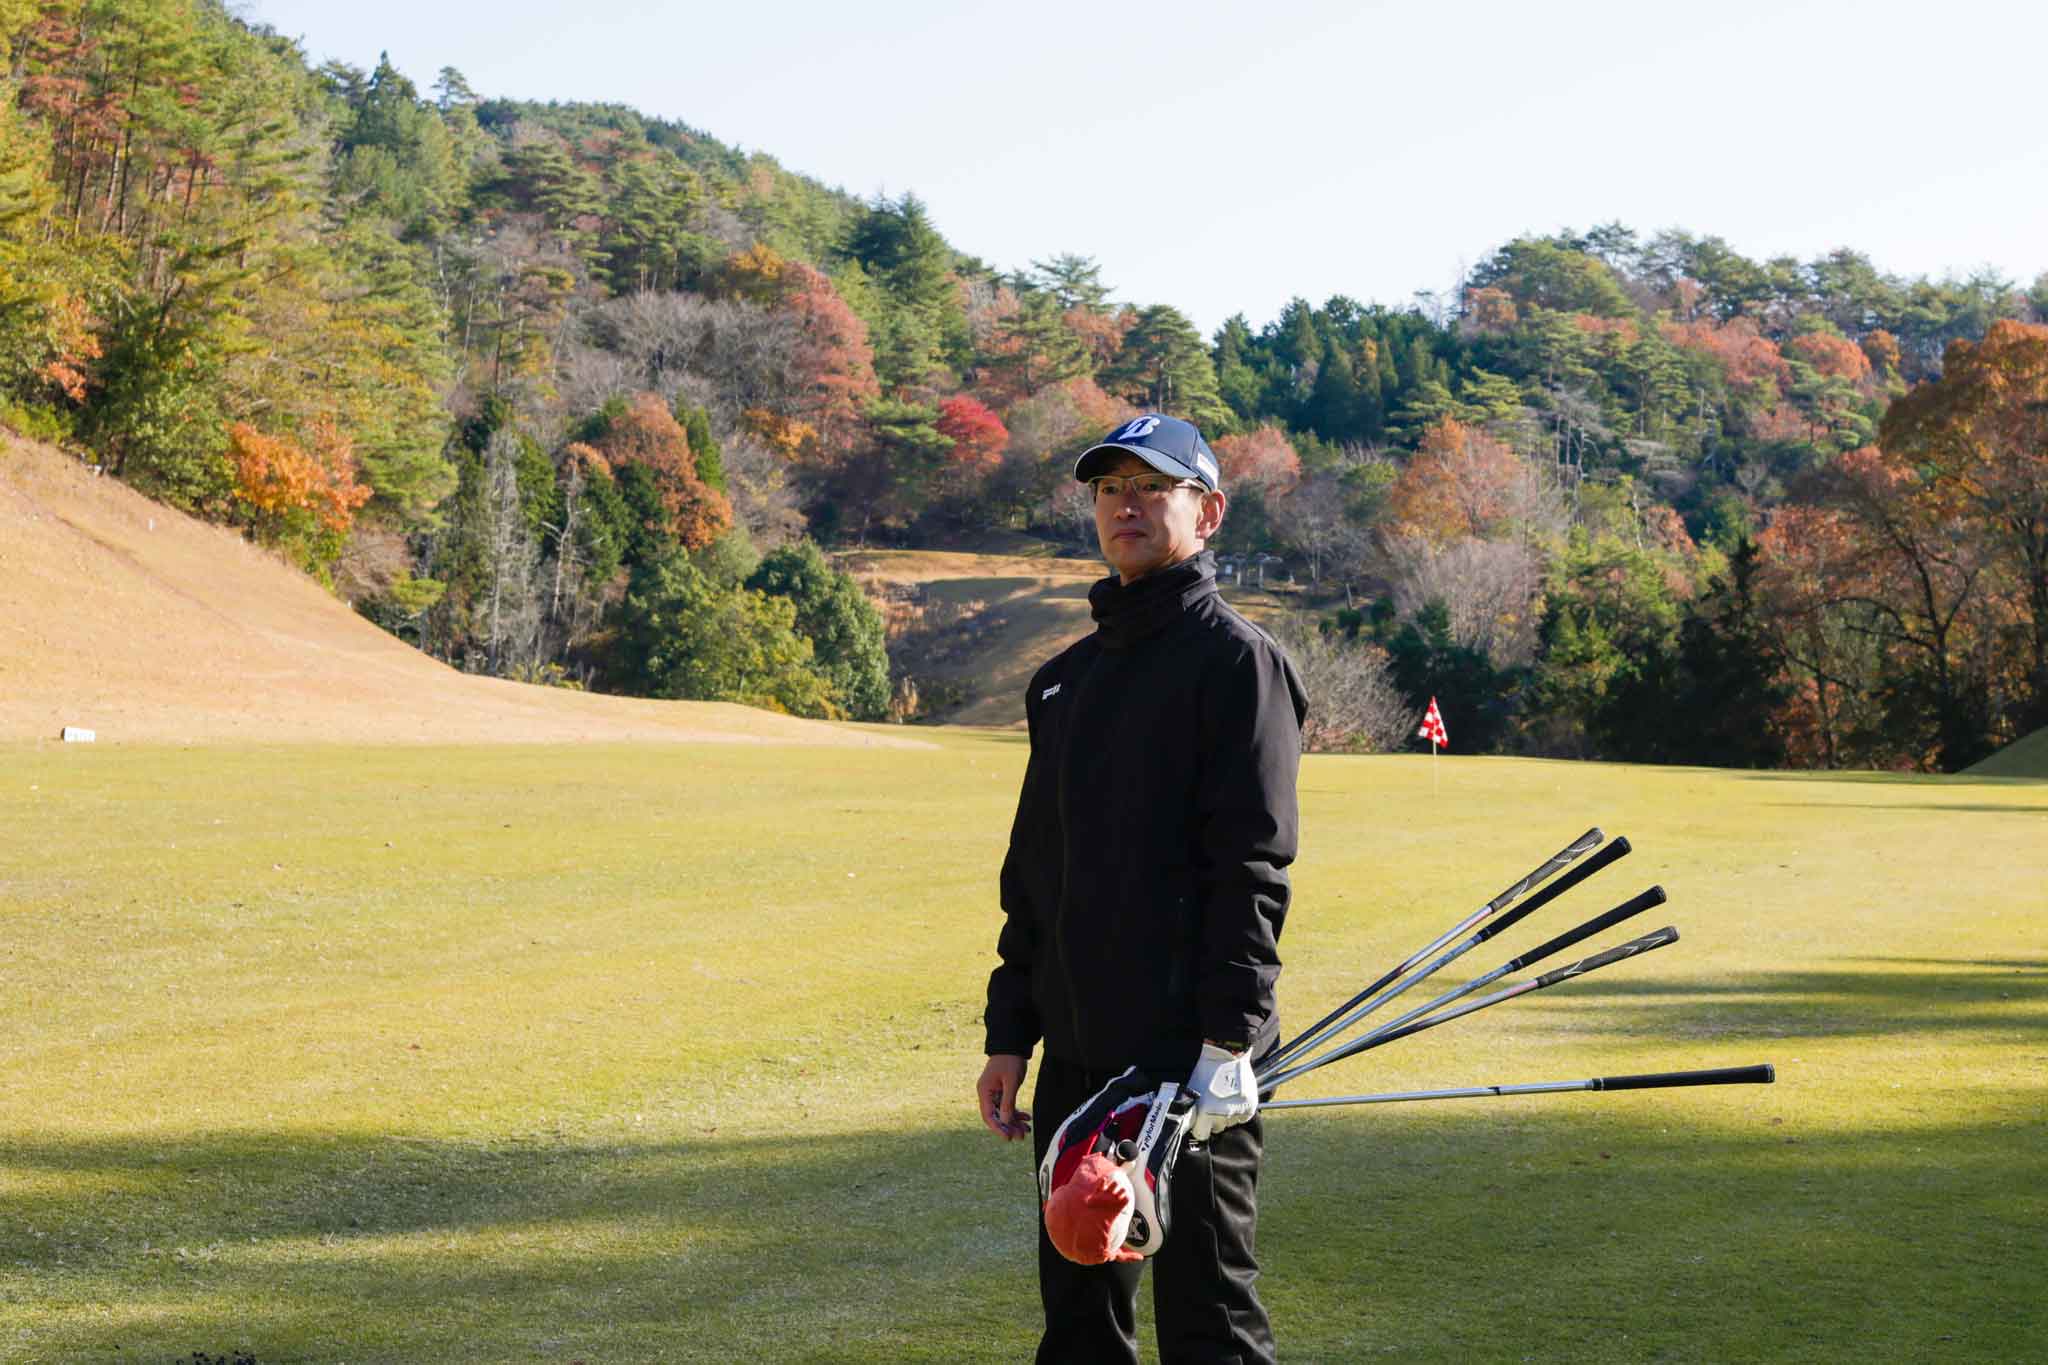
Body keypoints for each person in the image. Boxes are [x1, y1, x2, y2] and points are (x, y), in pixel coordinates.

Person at [976, 413, 1308, 1364]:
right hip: (1081, 1058)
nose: (1125, 503)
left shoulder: (1239, 663)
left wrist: (1227, 1041)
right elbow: (1036, 877)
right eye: (1109, 487)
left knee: (1211, 1322)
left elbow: (1252, 865)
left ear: (1208, 513)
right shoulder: (1062, 683)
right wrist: (1012, 1034)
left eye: (1151, 486)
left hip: (1190, 1061)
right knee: (1080, 1322)